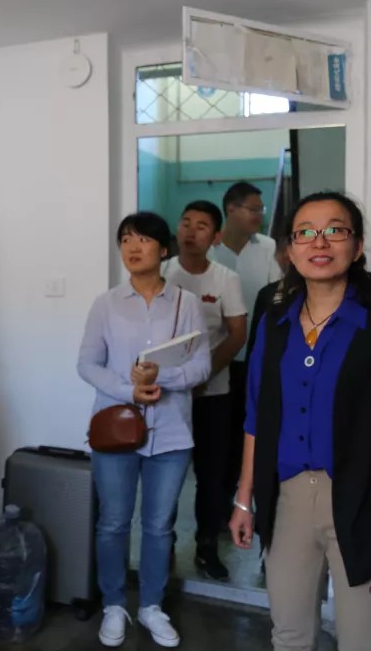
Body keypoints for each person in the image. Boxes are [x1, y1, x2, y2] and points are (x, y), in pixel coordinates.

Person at [229, 192, 371, 651]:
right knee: (290, 636)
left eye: (335, 230)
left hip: (365, 501)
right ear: (290, 249)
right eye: (305, 233)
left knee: (364, 640)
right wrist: (244, 500)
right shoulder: (273, 325)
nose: (319, 242)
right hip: (287, 500)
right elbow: (256, 418)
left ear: (356, 247)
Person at [78, 212, 211, 648]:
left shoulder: (186, 303)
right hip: (115, 429)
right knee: (113, 523)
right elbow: (87, 364)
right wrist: (129, 390)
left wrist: (161, 379)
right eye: (125, 240)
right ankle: (114, 604)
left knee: (159, 526)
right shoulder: (106, 304)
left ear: (163, 249)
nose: (133, 247)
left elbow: (202, 365)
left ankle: (151, 605)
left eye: (143, 239)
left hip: (171, 433)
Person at [162, 201, 247, 582]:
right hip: (168, 394)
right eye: (185, 223)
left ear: (215, 237)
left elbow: (237, 334)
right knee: (166, 473)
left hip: (213, 393)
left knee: (211, 476)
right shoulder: (163, 273)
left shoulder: (225, 278)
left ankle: (206, 547)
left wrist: (201, 375)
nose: (190, 231)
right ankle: (161, 546)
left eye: (201, 226)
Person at [210, 181, 283, 493]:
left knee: (250, 432)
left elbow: (278, 299)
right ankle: (219, 501)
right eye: (253, 209)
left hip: (255, 358)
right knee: (218, 437)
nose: (259, 215)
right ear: (231, 209)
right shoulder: (210, 250)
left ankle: (245, 494)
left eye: (261, 209)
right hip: (215, 359)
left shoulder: (267, 248)